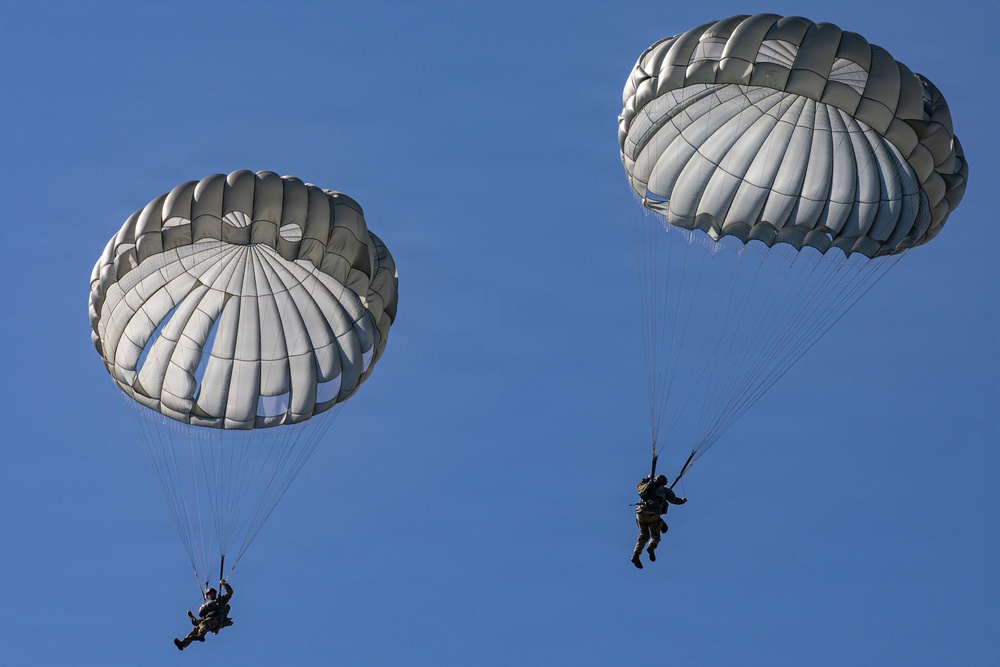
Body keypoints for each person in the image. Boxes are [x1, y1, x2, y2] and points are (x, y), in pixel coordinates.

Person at [631, 474, 686, 569]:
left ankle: (636, 554)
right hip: (653, 515)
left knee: (643, 535)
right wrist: (682, 500)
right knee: (656, 535)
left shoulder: (646, 486)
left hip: (640, 514)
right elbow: (674, 500)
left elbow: (638, 487)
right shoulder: (666, 491)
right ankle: (651, 546)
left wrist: (648, 479)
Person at [173, 579, 234, 650]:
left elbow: (230, 592)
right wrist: (191, 617)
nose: (212, 594)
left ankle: (201, 635)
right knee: (196, 629)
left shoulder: (221, 601)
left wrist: (224, 584)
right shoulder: (207, 612)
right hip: (211, 621)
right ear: (207, 596)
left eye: (214, 593)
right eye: (210, 593)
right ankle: (183, 643)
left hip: (218, 620)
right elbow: (197, 622)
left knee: (203, 624)